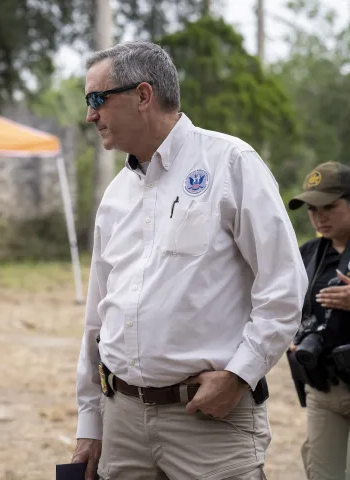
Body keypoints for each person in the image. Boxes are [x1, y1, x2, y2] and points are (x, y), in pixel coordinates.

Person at [71, 40, 308, 480]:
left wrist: (239, 376)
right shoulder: (117, 194)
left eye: (97, 98)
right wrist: (91, 422)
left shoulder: (231, 163)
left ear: (143, 96)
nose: (90, 115)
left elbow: (285, 286)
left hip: (209, 419)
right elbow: (97, 319)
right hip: (122, 420)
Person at [286, 161, 350, 480]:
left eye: (330, 206)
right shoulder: (307, 254)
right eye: (312, 208)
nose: (319, 216)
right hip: (323, 387)